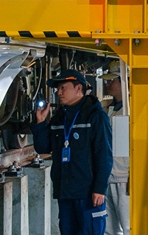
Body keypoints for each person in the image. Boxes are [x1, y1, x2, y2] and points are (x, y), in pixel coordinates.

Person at [32, 69, 114, 235]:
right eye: (58, 89)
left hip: (88, 193)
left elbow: (104, 154)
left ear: (78, 89)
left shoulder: (95, 116)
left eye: (63, 88)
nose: (59, 92)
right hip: (66, 192)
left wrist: (99, 188)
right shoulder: (59, 118)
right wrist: (40, 123)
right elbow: (43, 148)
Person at [101, 61, 130, 234]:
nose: (108, 84)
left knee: (129, 227)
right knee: (109, 229)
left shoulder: (133, 110)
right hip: (107, 176)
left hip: (126, 179)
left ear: (125, 81)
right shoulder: (105, 108)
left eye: (112, 80)